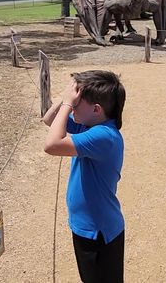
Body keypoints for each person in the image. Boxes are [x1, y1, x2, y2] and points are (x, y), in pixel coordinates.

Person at [42, 70, 127, 283]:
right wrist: (66, 98)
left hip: (99, 233)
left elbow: (51, 145)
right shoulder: (88, 123)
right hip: (86, 228)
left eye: (78, 103)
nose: (73, 107)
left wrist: (68, 104)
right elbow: (48, 119)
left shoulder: (104, 136)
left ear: (96, 110)